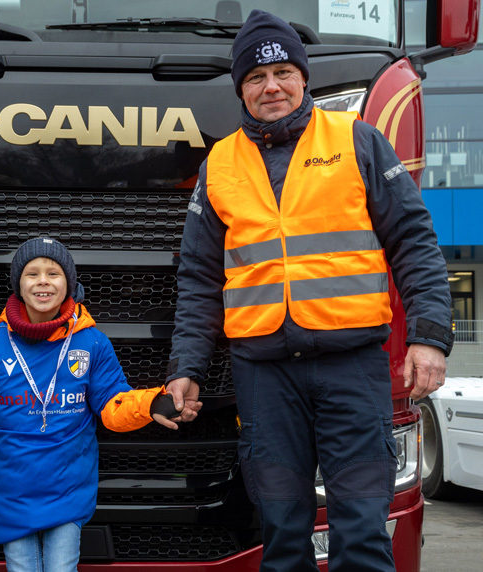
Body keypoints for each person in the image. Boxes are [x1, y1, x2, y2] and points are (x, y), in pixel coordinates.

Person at [165, 10, 454, 572]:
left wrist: (428, 338)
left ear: (302, 78)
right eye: (254, 78)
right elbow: (200, 278)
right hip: (265, 375)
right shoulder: (219, 164)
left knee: (364, 534)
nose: (270, 87)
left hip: (352, 368)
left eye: (282, 74)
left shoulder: (357, 140)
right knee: (282, 537)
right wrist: (187, 367)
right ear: (241, 90)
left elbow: (414, 243)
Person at [0, 237, 179, 572]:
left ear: (70, 283)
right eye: (32, 273)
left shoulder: (92, 342)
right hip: (10, 487)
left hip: (67, 485)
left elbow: (112, 404)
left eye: (54, 273)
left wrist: (152, 403)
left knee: (61, 568)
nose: (43, 281)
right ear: (18, 284)